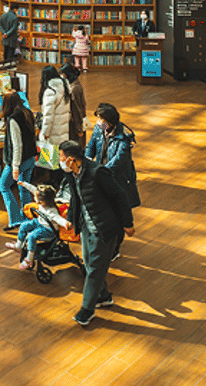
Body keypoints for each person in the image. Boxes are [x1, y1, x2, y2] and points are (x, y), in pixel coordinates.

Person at [58, 139, 135, 327]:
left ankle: (87, 309)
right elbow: (75, 197)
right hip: (86, 226)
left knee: (94, 269)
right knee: (90, 263)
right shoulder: (72, 173)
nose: (59, 161)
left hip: (104, 228)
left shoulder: (97, 172)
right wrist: (70, 217)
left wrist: (128, 223)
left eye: (60, 157)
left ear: (70, 160)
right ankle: (103, 296)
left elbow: (120, 195)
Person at [85, 103, 142, 258]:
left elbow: (117, 162)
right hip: (101, 175)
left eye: (101, 119)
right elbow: (91, 146)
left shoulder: (123, 139)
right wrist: (87, 160)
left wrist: (99, 173)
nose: (98, 123)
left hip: (117, 180)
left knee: (118, 215)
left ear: (110, 122)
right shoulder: (99, 130)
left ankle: (115, 249)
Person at [0, 92, 37, 232]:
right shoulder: (27, 112)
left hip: (19, 161)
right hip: (30, 158)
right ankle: (28, 218)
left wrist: (15, 166)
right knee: (24, 188)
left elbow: (17, 145)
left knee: (3, 185)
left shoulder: (13, 120)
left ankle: (15, 220)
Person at [8, 184, 70, 271]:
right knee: (24, 225)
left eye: (36, 197)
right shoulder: (43, 201)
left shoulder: (51, 211)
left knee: (31, 236)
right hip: (40, 222)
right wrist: (25, 184)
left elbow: (58, 219)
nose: (34, 198)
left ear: (41, 202)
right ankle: (18, 245)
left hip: (48, 230)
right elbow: (34, 190)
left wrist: (65, 223)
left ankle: (29, 258)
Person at [38, 66, 71, 169]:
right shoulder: (64, 86)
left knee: (51, 161)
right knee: (61, 157)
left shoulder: (50, 92)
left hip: (54, 130)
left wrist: (44, 133)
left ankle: (51, 179)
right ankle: (59, 179)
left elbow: (48, 116)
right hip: (63, 127)